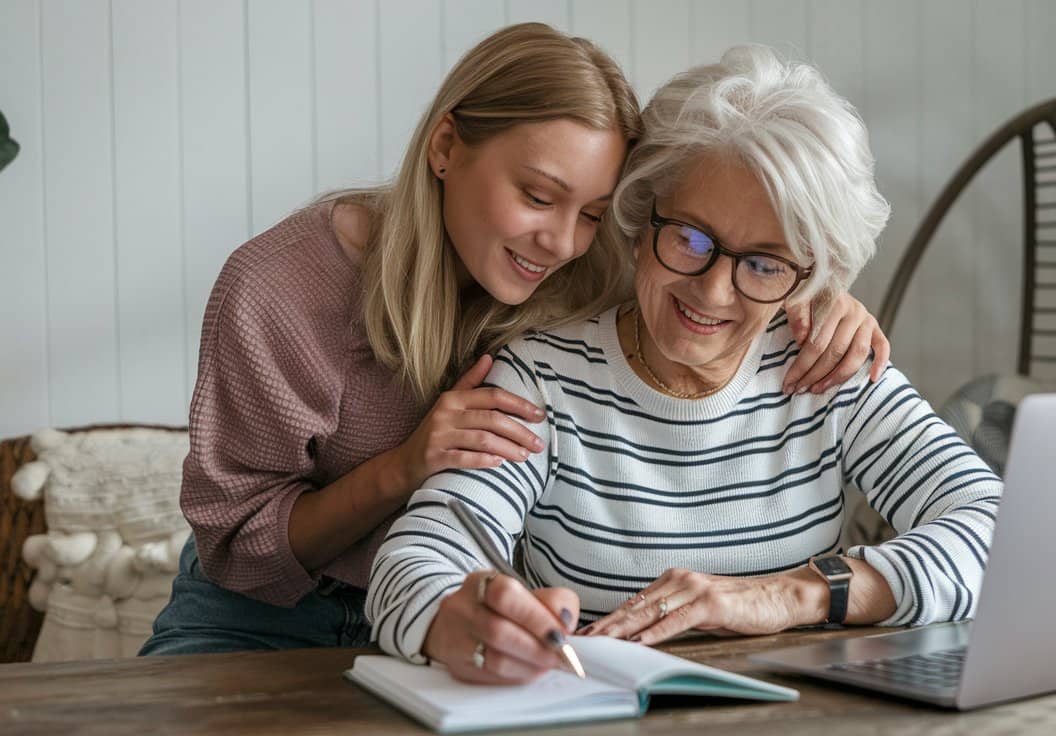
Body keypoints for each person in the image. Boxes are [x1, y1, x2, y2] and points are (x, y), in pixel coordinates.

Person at [140, 24, 890, 656]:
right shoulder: (280, 287)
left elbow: (712, 260)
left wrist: (825, 292)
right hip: (261, 618)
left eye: (594, 212)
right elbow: (237, 547)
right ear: (444, 145)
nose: (562, 241)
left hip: (458, 614)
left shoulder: (594, 263)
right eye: (537, 195)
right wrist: (405, 465)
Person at [366, 45, 1004, 685]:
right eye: (691, 239)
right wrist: (461, 621)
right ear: (642, 220)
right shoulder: (544, 378)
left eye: (764, 263)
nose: (713, 292)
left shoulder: (829, 368)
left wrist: (796, 594)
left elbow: (1001, 532)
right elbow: (415, 562)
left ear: (808, 276)